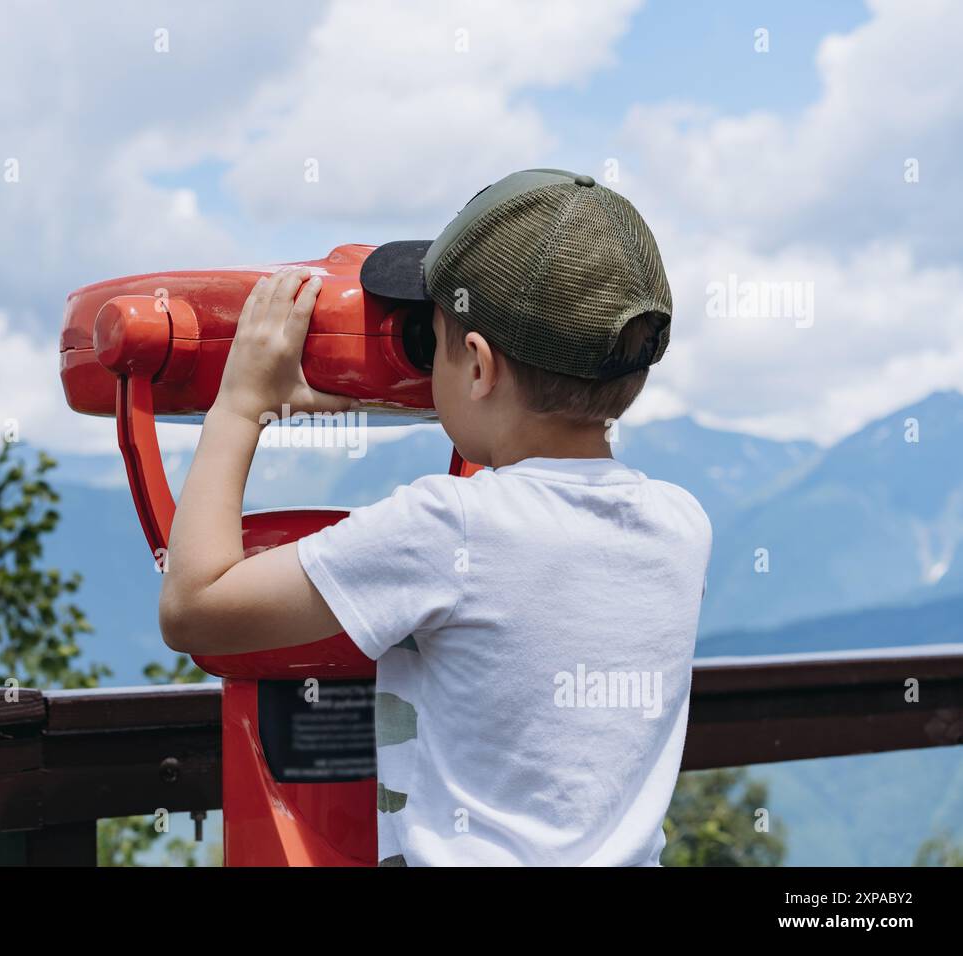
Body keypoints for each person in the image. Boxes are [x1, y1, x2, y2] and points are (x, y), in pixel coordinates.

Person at [158, 168, 712, 866]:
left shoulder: (445, 527)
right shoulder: (683, 524)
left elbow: (193, 607)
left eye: (433, 341)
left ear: (478, 367)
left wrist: (241, 405)